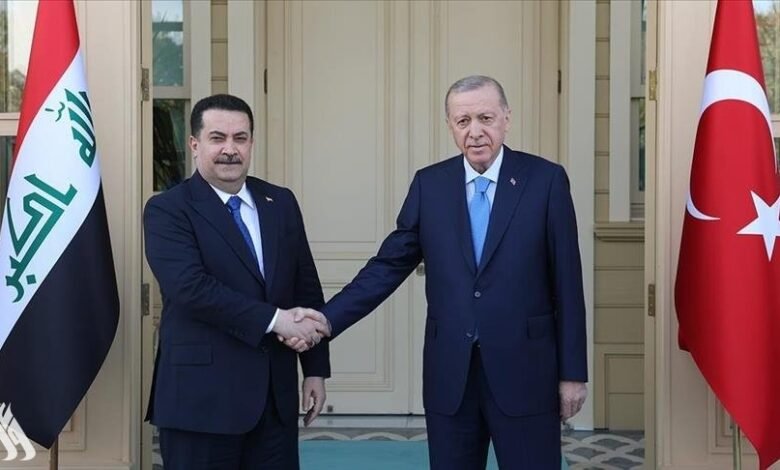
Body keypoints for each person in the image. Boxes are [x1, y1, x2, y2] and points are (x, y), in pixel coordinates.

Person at [287, 76, 588, 469]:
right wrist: (327, 320)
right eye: (463, 121)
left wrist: (573, 374)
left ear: (507, 118)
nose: (474, 131)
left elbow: (568, 283)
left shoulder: (545, 180)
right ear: (450, 125)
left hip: (526, 372)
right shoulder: (430, 185)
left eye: (485, 118)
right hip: (451, 376)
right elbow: (388, 265)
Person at [144, 94, 331, 470]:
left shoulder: (280, 202)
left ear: (251, 142)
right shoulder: (168, 209)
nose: (230, 149)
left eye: (240, 138)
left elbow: (305, 286)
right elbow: (191, 288)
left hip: (274, 402)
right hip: (201, 403)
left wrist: (314, 368)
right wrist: (277, 320)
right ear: (195, 144)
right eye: (217, 138)